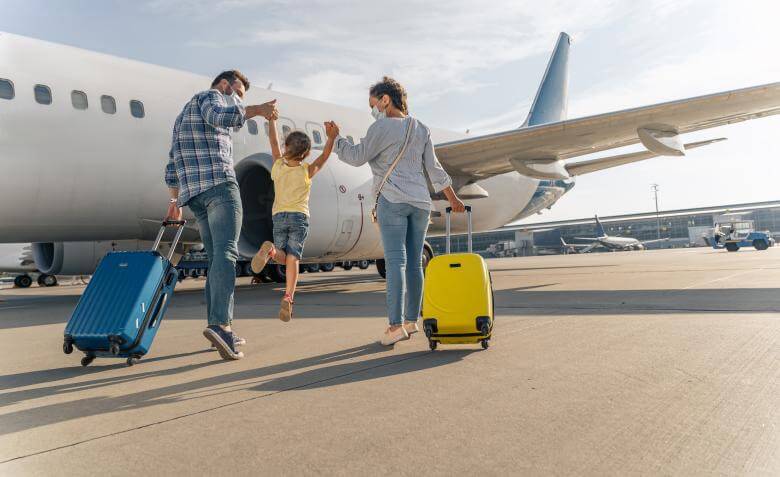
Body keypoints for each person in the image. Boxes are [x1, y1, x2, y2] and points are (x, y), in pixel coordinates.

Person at [330, 77, 465, 346]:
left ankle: (394, 327)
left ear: (385, 100)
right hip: (420, 203)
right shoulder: (421, 128)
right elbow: (434, 169)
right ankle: (410, 321)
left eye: (373, 104)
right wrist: (453, 199)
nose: (373, 110)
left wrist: (336, 140)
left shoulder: (381, 127)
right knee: (415, 264)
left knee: (395, 263)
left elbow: (357, 157)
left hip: (392, 201)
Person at [165, 69, 278, 361]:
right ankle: (221, 325)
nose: (239, 101)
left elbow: (172, 162)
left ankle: (219, 325)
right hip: (219, 187)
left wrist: (174, 201)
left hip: (195, 196)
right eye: (239, 94)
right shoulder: (212, 97)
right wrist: (258, 110)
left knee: (216, 259)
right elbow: (221, 117)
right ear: (226, 85)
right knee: (227, 256)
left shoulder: (181, 117)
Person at [250, 118, 338, 321]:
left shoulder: (278, 166)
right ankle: (289, 296)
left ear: (286, 146)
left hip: (279, 215)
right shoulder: (306, 170)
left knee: (281, 255)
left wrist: (271, 120)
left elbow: (273, 142)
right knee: (293, 257)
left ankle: (271, 250)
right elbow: (324, 157)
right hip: (299, 216)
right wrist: (331, 137)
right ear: (306, 153)